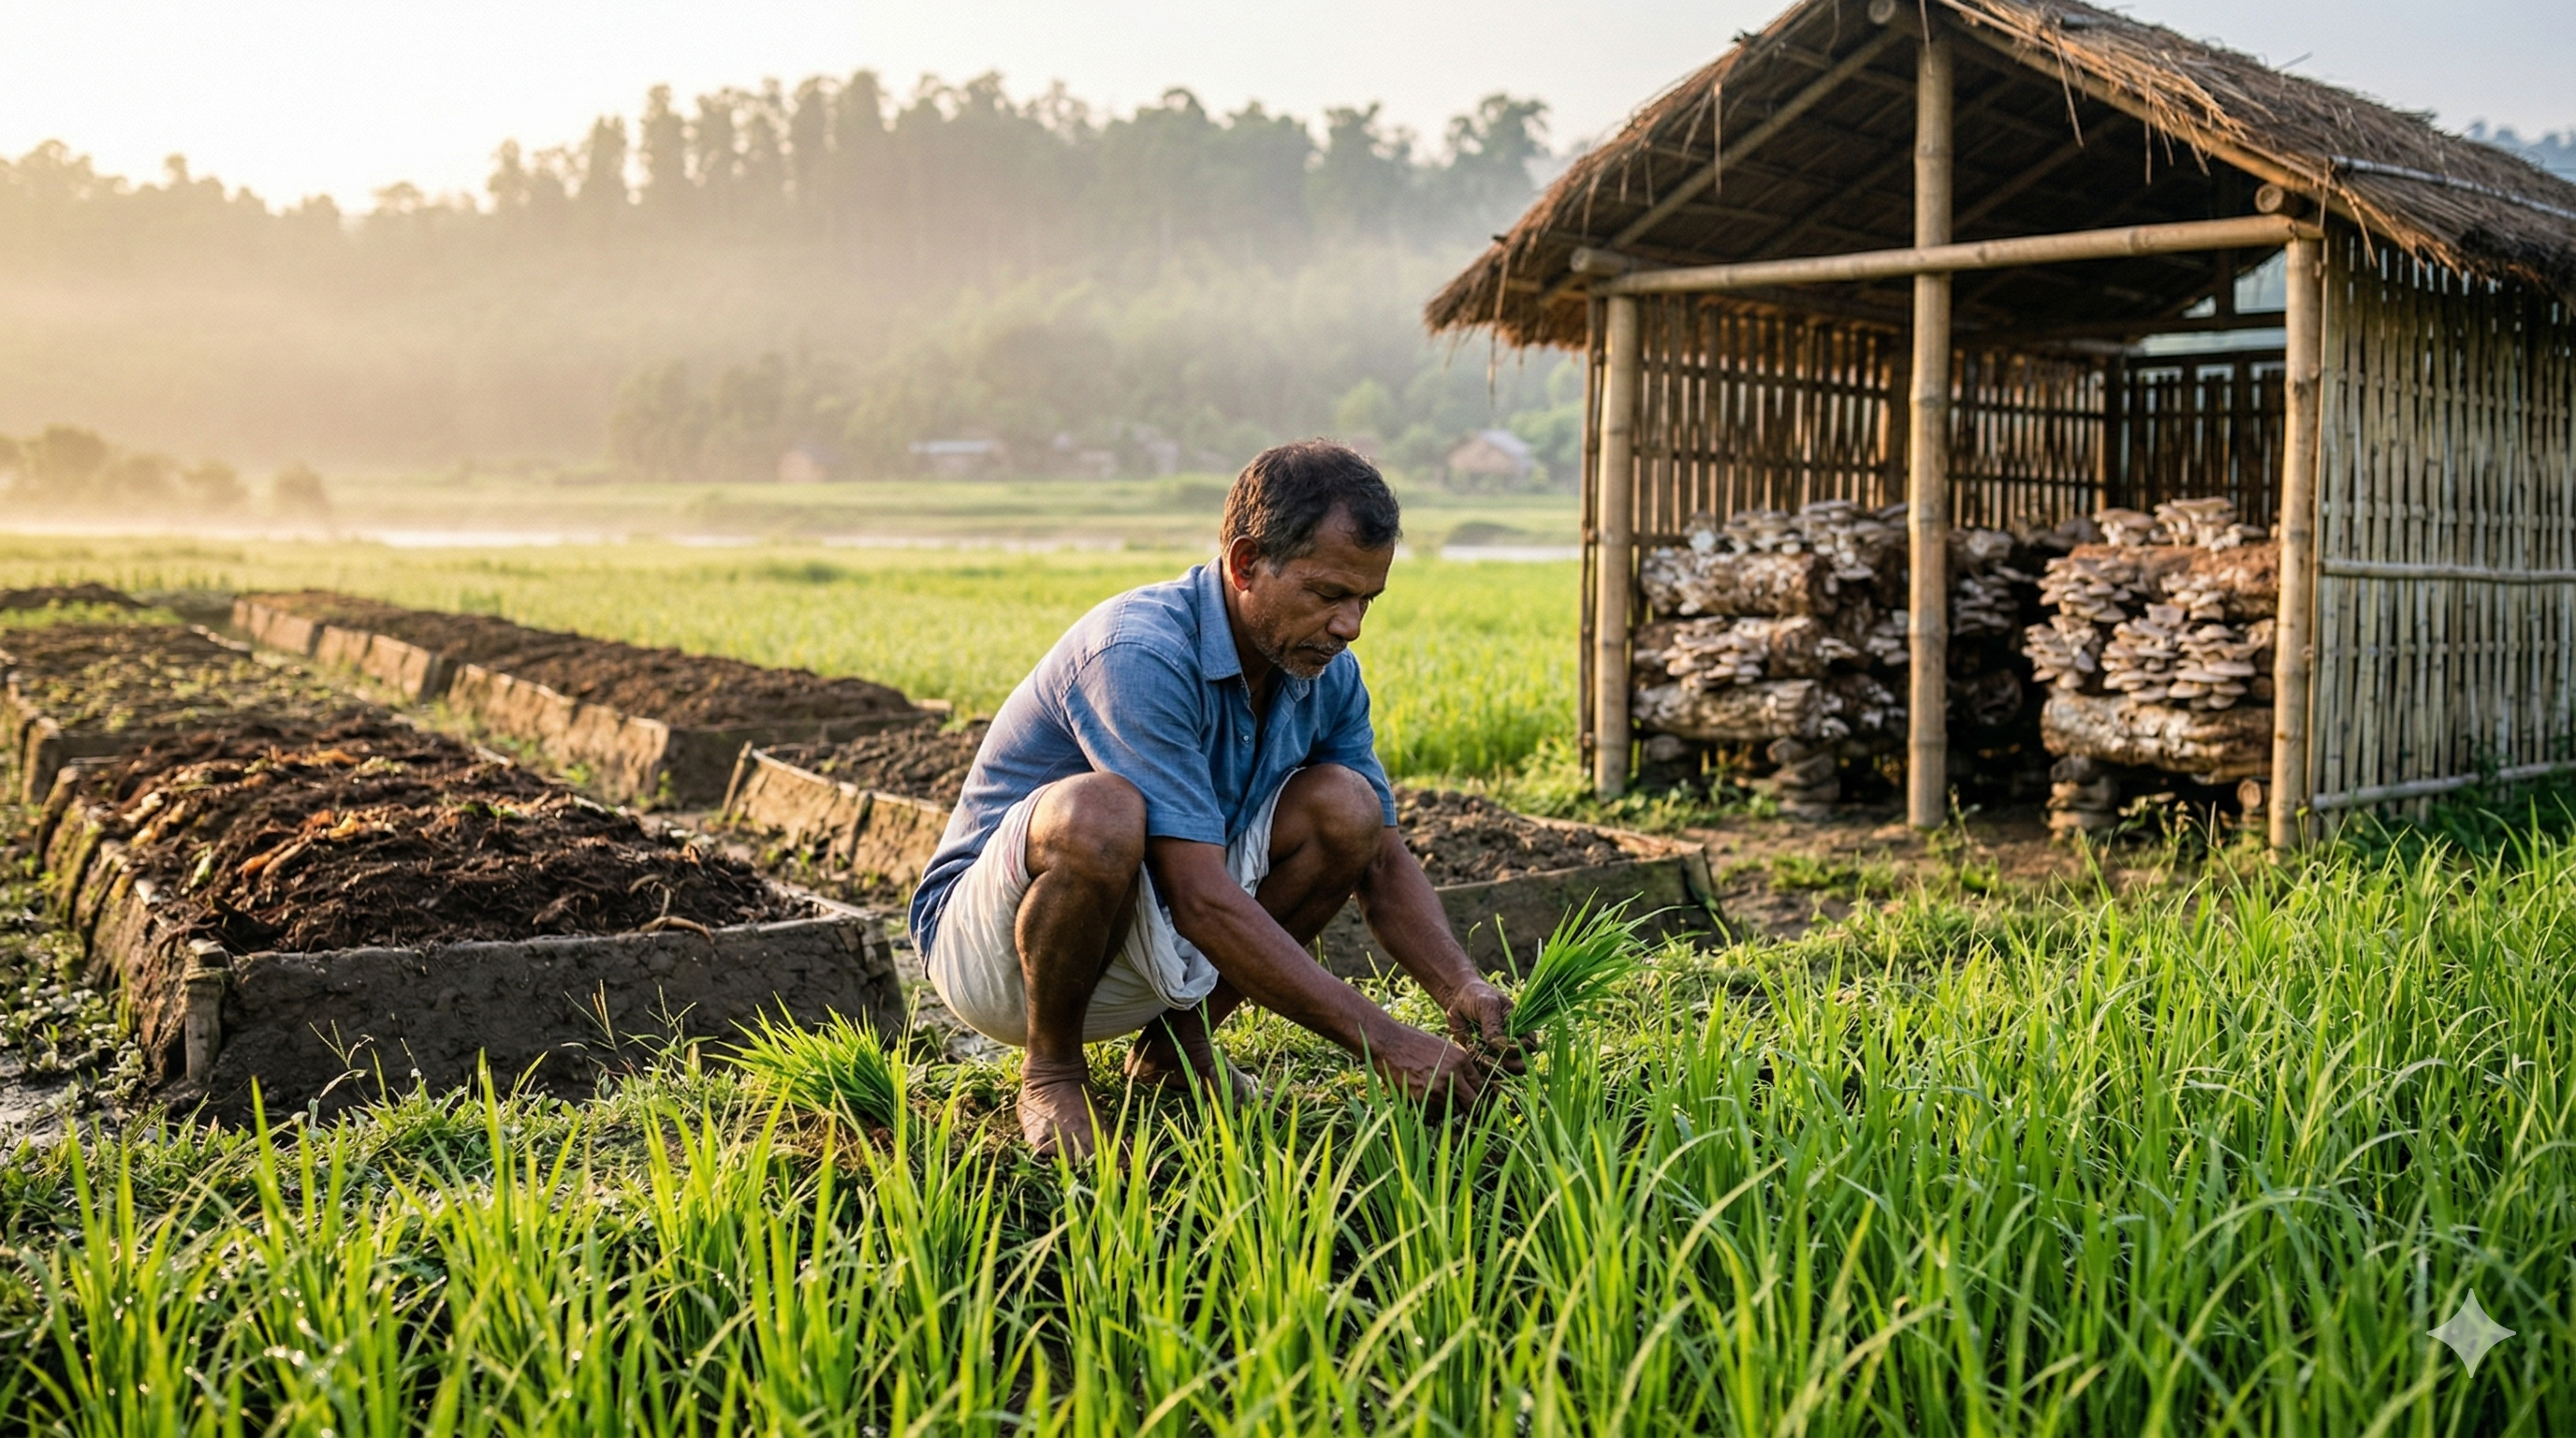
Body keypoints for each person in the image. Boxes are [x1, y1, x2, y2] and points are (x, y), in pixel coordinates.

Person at [908, 439, 1518, 1156]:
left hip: (1157, 947)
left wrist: (1460, 986)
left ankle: (1170, 1051)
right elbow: (1198, 896)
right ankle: (1052, 1071)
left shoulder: (1327, 673)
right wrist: (1381, 1040)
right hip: (999, 957)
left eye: (1365, 600)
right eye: (1328, 595)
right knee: (1102, 811)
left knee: (1347, 809)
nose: (1349, 626)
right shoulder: (1138, 653)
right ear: (1243, 562)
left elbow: (1379, 858)